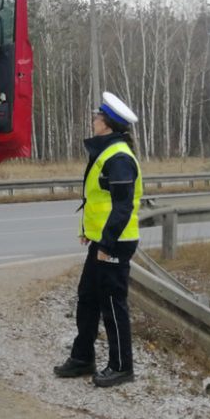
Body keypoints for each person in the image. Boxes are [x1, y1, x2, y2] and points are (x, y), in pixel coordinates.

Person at [53, 91, 143, 387]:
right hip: (102, 241)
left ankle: (121, 367)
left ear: (107, 124)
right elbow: (96, 199)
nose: (93, 120)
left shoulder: (118, 157)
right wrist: (89, 232)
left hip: (115, 243)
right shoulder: (107, 152)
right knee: (88, 297)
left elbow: (122, 205)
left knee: (112, 303)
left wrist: (105, 244)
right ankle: (82, 358)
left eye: (97, 116)